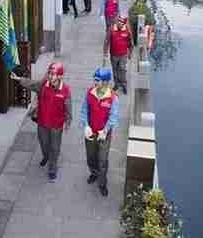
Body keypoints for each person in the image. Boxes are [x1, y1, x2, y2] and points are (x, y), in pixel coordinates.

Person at [11, 63, 72, 181]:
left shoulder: (65, 90)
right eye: (49, 73)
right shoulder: (43, 84)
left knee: (55, 147)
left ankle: (52, 168)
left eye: (52, 74)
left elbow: (68, 107)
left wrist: (68, 121)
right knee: (43, 143)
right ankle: (46, 156)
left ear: (60, 76)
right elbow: (31, 83)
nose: (49, 76)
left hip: (56, 125)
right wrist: (18, 79)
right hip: (42, 122)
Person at [80, 67, 119, 197]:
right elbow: (84, 111)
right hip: (90, 132)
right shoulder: (89, 93)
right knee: (90, 157)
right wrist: (86, 126)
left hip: (104, 134)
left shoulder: (113, 98)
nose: (95, 83)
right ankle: (93, 173)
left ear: (106, 82)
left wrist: (106, 129)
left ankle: (102, 183)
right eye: (95, 80)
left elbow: (113, 117)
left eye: (98, 80)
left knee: (102, 160)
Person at [104, 15, 133, 94]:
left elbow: (130, 43)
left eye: (121, 23)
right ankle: (116, 84)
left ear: (124, 24)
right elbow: (106, 41)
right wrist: (105, 52)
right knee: (115, 69)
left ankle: (124, 85)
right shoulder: (111, 29)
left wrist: (130, 53)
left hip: (123, 54)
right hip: (113, 54)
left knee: (122, 69)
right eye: (118, 22)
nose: (119, 24)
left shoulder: (127, 31)